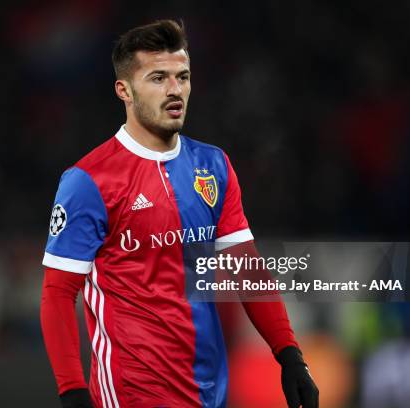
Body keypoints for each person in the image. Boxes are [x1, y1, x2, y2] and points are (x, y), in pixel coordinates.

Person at [40, 19, 318, 408]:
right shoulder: (89, 181)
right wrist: (72, 391)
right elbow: (57, 294)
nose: (175, 90)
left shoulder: (213, 165)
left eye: (182, 77)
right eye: (158, 78)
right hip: (131, 394)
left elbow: (246, 269)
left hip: (209, 392)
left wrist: (289, 355)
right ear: (125, 90)